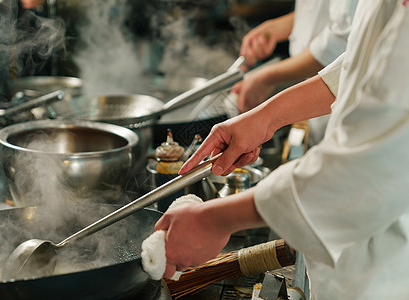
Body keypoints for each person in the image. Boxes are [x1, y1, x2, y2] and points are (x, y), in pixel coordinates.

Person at [155, 0, 409, 298]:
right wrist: (266, 117)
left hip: (386, 271)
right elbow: (361, 64)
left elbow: (368, 165)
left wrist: (216, 219)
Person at [235, 0, 358, 145]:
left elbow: (337, 47)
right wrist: (277, 27)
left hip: (347, 114)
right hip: (321, 105)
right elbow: (327, 13)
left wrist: (266, 78)